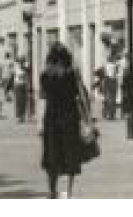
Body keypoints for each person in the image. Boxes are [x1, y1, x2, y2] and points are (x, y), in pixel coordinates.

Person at [39, 41, 95, 200]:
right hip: (69, 118)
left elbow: (42, 99)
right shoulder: (72, 74)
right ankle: (68, 192)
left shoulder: (45, 76)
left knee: (52, 156)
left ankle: (52, 190)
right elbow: (83, 97)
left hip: (51, 120)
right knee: (70, 155)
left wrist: (39, 124)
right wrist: (89, 119)